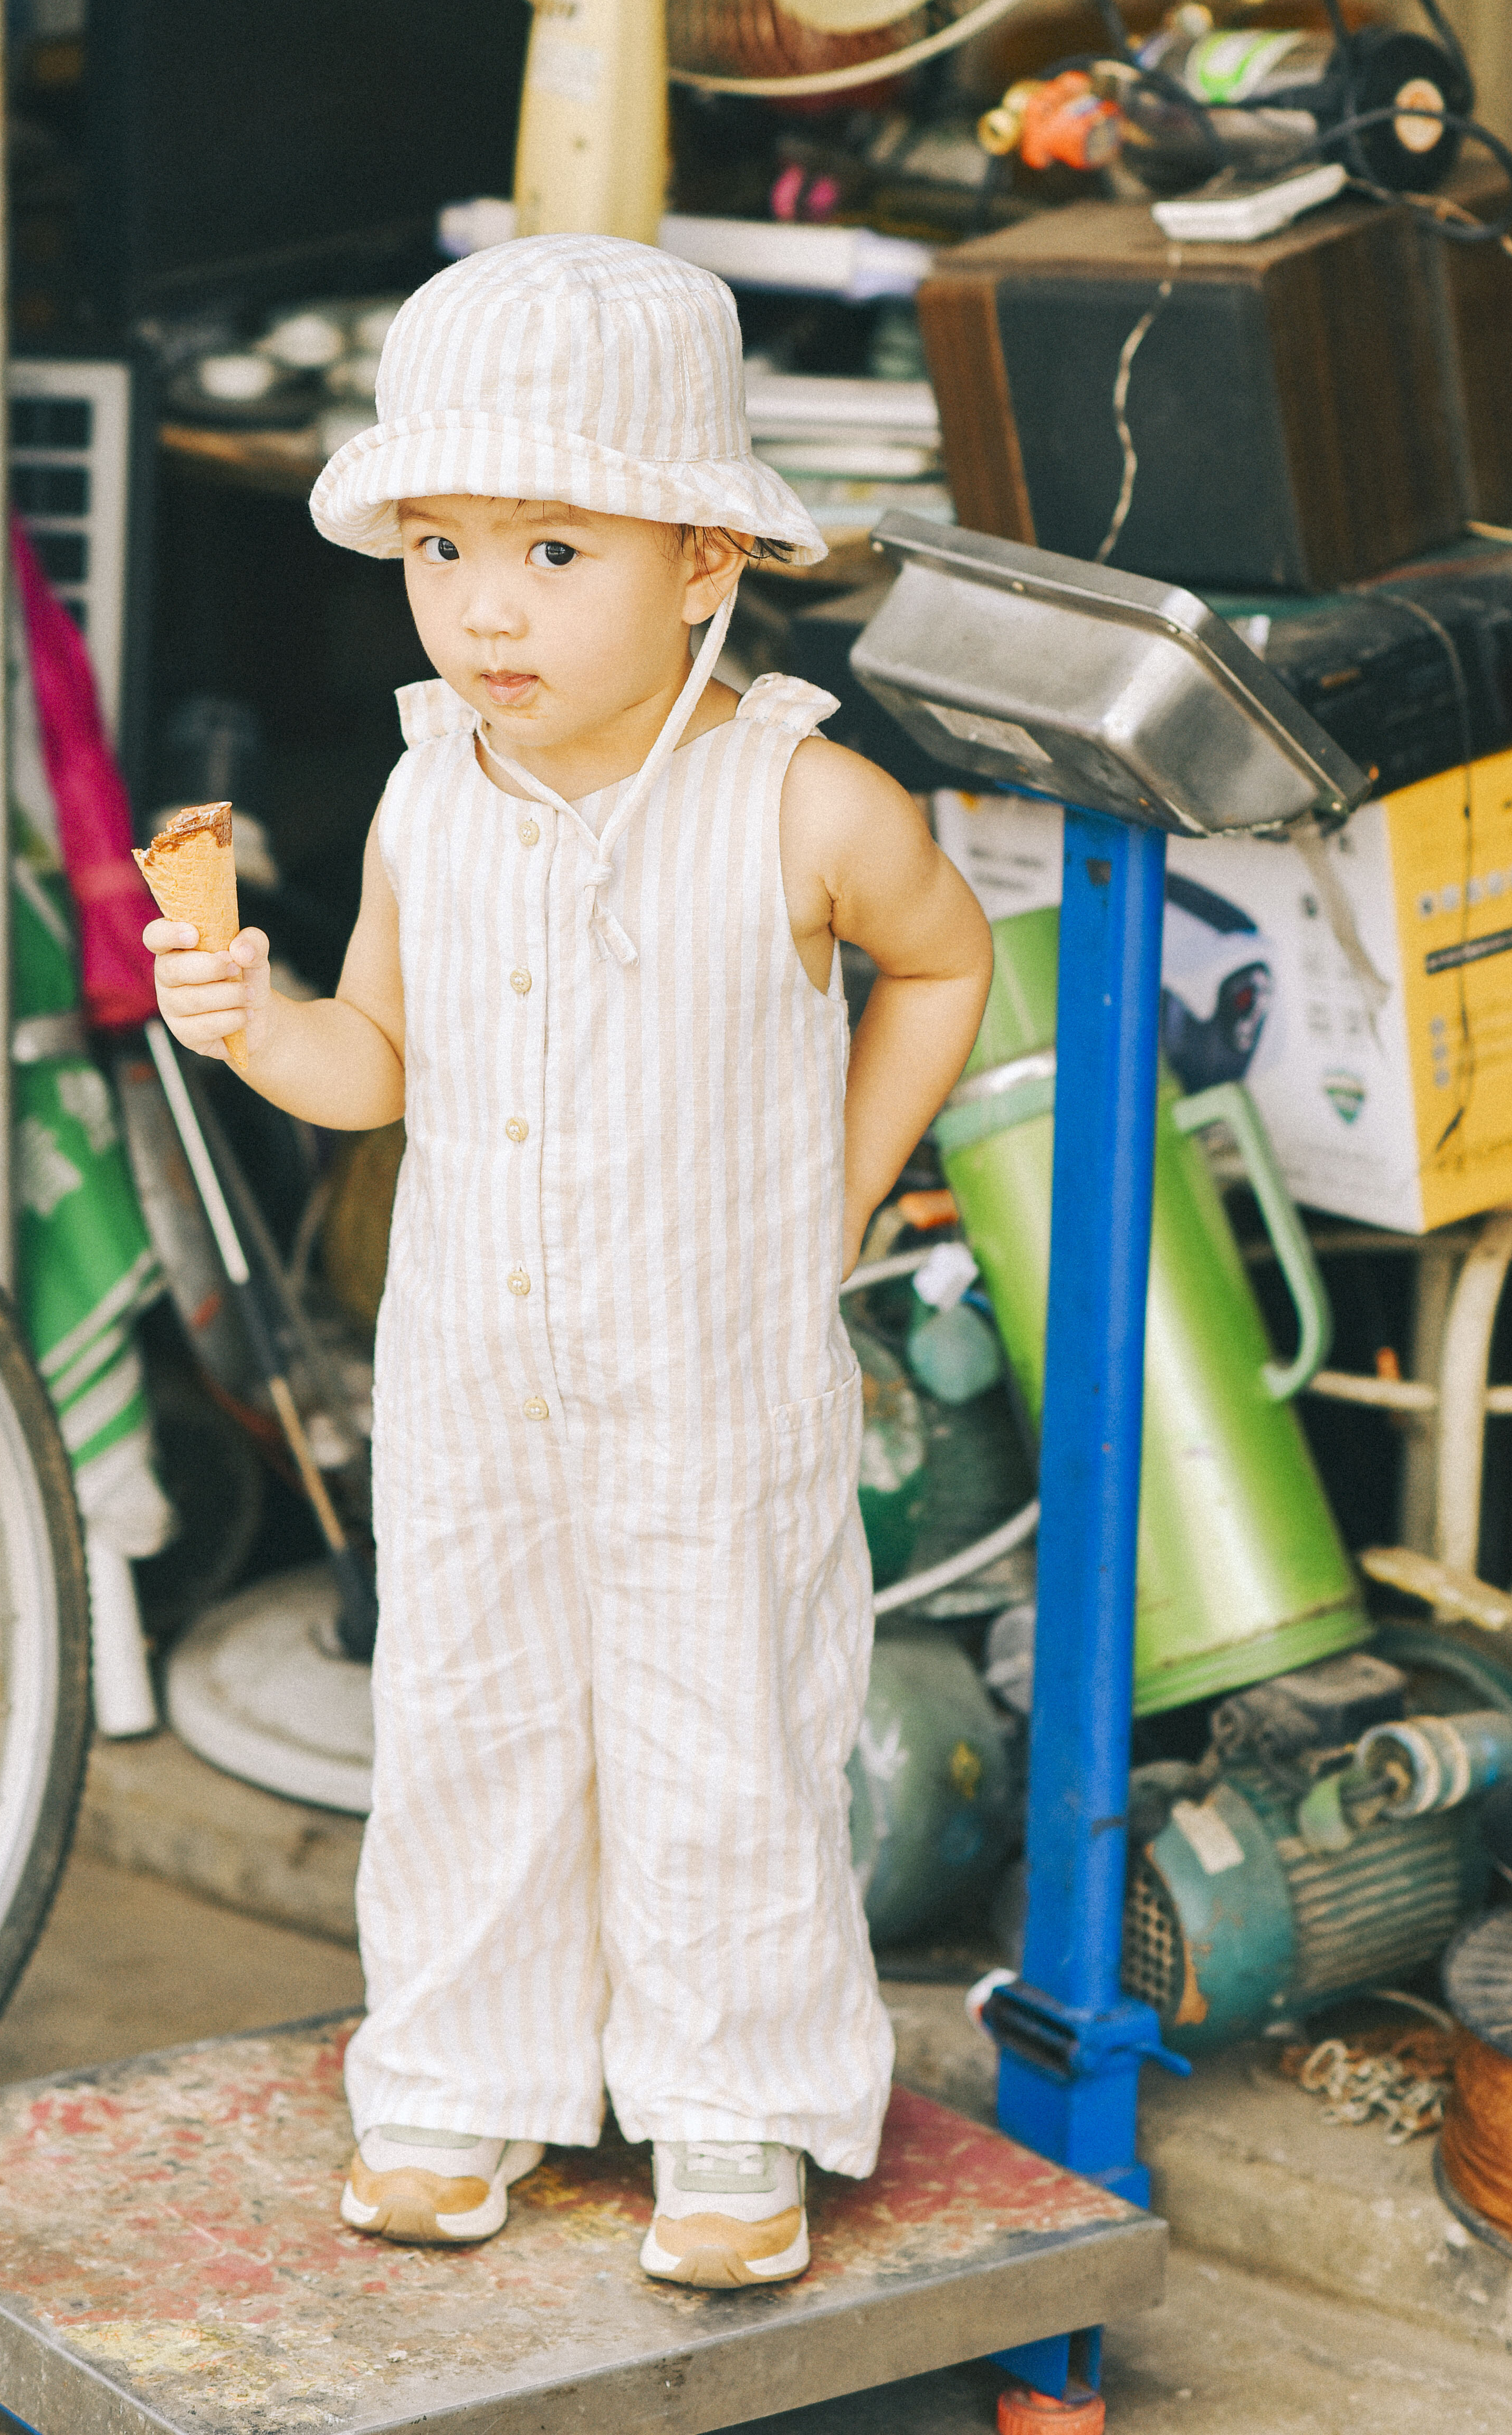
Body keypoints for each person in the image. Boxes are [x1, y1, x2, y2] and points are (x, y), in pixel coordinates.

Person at [145, 234, 993, 2290]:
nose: (484, 608)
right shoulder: (427, 800)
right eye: (440, 549)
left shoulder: (801, 801)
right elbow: (376, 1064)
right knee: (470, 1717)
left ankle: (731, 2105)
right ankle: (460, 2078)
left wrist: (841, 1193)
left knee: (724, 1731)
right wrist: (254, 1026)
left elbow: (946, 960)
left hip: (714, 1389)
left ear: (703, 560)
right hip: (473, 1384)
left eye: (549, 548)